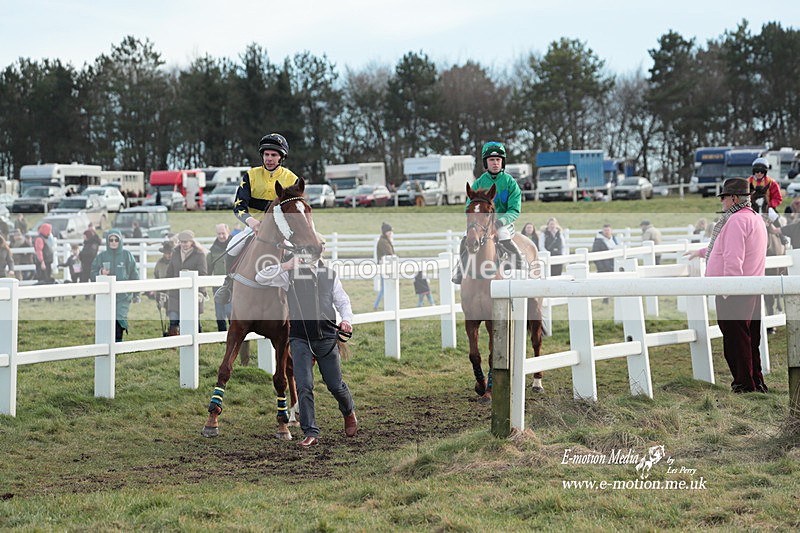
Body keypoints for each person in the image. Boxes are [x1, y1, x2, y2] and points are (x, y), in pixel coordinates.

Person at [255, 234, 357, 447]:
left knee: (335, 385)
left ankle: (348, 411)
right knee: (304, 385)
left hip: (327, 337)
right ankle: (310, 431)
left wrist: (346, 320)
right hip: (300, 338)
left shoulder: (329, 275)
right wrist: (285, 265)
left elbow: (343, 301)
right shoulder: (290, 275)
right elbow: (260, 277)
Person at [685, 178, 768, 393]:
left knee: (735, 340)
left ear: (732, 198)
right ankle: (756, 381)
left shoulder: (735, 221)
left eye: (723, 197)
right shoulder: (755, 218)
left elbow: (733, 257)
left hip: (735, 290)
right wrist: (701, 252)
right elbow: (726, 247)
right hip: (753, 287)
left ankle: (744, 384)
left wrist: (728, 289)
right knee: (750, 339)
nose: (721, 201)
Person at [214, 133, 300, 305]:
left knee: (293, 253)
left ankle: (296, 290)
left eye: (274, 155)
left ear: (281, 157)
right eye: (266, 154)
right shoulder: (251, 175)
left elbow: (295, 211)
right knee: (232, 246)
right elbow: (239, 207)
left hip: (281, 232)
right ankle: (228, 284)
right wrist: (252, 222)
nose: (269, 158)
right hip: (253, 227)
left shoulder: (291, 179)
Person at [453, 141, 523, 284]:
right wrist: (474, 222)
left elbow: (515, 210)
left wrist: (500, 222)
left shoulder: (510, 183)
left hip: (503, 222)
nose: (495, 163)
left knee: (503, 235)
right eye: (492, 160)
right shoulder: (479, 182)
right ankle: (460, 271)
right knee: (465, 238)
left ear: (502, 162)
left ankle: (521, 267)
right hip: (481, 224)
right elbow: (470, 206)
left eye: (498, 160)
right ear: (486, 163)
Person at [90, 230, 139, 342]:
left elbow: (134, 274)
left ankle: (117, 345)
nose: (113, 242)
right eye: (111, 240)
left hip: (123, 296)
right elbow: (92, 273)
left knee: (119, 319)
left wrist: (137, 294)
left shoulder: (127, 255)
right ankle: (108, 347)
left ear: (120, 241)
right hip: (106, 296)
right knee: (108, 321)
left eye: (116, 240)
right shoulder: (102, 256)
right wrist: (101, 272)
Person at [165, 230, 207, 336]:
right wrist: (164, 289)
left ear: (191, 242)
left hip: (192, 292)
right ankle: (173, 343)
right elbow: (170, 272)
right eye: (182, 242)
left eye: (186, 242)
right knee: (174, 319)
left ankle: (198, 340)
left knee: (192, 320)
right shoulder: (175, 253)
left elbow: (203, 274)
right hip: (175, 292)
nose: (184, 244)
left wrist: (200, 292)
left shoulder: (199, 255)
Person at [207, 223, 232, 332]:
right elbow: (208, 268)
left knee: (230, 310)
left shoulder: (235, 246)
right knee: (219, 312)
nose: (221, 236)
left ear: (228, 232)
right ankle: (221, 334)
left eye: (223, 233)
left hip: (232, 284)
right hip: (217, 285)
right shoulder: (213, 250)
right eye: (219, 234)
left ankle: (234, 333)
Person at [748, 157, 782, 223]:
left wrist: (768, 205)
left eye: (762, 172)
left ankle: (779, 231)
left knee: (773, 215)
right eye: (757, 171)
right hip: (751, 207)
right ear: (754, 171)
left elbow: (778, 198)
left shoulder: (772, 183)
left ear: (765, 172)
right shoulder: (747, 182)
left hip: (767, 207)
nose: (759, 173)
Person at [373, 222, 395, 310]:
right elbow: (390, 254)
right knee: (384, 288)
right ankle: (376, 305)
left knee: (385, 287)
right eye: (389, 232)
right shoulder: (384, 242)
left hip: (386, 266)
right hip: (385, 266)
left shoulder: (385, 240)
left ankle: (379, 305)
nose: (391, 233)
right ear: (386, 232)